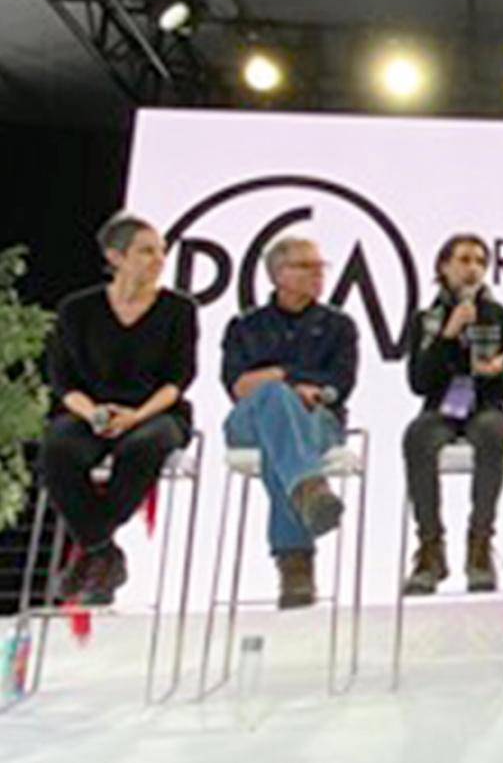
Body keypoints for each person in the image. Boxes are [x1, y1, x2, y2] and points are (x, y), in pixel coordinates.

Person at [41, 211, 197, 604]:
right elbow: (63, 381)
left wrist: (137, 415)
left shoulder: (179, 309)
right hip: (89, 411)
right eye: (147, 251)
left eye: (161, 251)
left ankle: (92, 552)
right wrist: (93, 413)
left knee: (142, 446)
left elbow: (177, 380)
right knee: (58, 448)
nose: (159, 259)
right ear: (116, 257)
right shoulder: (77, 309)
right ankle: (103, 551)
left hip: (155, 412)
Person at [221, 235, 358, 610]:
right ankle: (306, 498)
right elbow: (238, 386)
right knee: (275, 400)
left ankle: (294, 559)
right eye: (307, 266)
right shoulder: (245, 326)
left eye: (321, 266)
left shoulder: (338, 326)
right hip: (247, 421)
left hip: (318, 419)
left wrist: (276, 377)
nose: (319, 274)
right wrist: (288, 380)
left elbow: (339, 386)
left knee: (279, 433)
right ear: (279, 274)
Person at [402, 233, 503, 595]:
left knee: (494, 433)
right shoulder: (426, 319)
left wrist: (496, 372)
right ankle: (430, 547)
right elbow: (419, 382)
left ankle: (480, 544)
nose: (472, 269)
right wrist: (448, 334)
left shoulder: (502, 318)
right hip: (442, 407)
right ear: (444, 267)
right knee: (418, 436)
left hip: (484, 405)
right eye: (464, 260)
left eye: (480, 262)